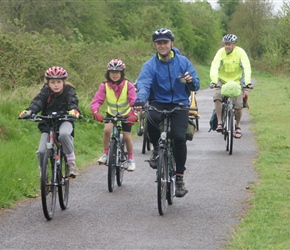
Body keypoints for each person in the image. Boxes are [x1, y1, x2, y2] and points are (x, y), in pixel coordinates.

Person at [134, 28, 200, 197]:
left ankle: (179, 179)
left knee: (179, 137)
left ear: (172, 44)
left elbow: (196, 85)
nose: (162, 46)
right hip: (158, 102)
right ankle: (157, 149)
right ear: (155, 45)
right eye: (159, 43)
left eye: (165, 42)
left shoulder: (183, 62)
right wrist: (141, 100)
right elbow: (144, 83)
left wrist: (191, 82)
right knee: (151, 119)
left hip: (179, 104)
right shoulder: (150, 65)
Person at [19, 66, 80, 178]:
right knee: (42, 151)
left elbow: (73, 101)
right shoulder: (45, 91)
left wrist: (74, 110)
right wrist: (30, 111)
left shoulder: (69, 91)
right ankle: (43, 173)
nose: (56, 85)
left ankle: (71, 163)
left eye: (58, 82)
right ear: (48, 83)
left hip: (64, 120)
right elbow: (38, 102)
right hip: (48, 123)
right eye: (52, 82)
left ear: (63, 82)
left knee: (64, 134)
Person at [91, 58, 137, 171]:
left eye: (117, 72)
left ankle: (130, 159)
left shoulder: (128, 85)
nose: (114, 75)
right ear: (108, 73)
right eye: (112, 72)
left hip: (127, 114)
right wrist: (95, 111)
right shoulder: (104, 86)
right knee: (107, 130)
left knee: (126, 136)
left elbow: (133, 101)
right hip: (111, 113)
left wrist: (134, 114)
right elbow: (97, 100)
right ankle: (106, 154)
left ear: (122, 73)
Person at [210, 34, 253, 138]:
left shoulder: (240, 52)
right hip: (223, 81)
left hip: (237, 82)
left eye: (229, 44)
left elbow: (246, 66)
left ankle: (237, 126)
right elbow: (215, 66)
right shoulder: (220, 52)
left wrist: (247, 82)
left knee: (239, 105)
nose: (227, 46)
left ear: (234, 45)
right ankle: (220, 122)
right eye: (225, 44)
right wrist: (214, 81)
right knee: (217, 97)